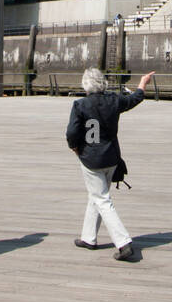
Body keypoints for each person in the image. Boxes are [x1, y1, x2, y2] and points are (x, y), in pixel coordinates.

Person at [66, 68, 155, 262]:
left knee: (102, 199)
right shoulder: (114, 101)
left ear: (85, 85)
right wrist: (142, 83)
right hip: (111, 157)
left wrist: (74, 148)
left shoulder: (80, 105)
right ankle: (88, 238)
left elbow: (72, 133)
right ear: (103, 83)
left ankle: (124, 243)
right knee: (96, 196)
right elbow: (134, 99)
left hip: (91, 159)